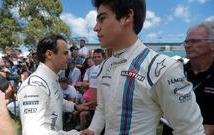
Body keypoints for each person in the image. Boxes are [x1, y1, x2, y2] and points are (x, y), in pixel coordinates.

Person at [81, 0, 204, 135]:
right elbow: (102, 108)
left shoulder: (163, 67)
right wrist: (93, 129)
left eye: (102, 19)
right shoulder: (105, 65)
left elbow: (191, 130)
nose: (95, 27)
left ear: (127, 17)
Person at [17, 33, 87, 135]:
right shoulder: (34, 86)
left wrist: (75, 107)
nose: (69, 57)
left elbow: (56, 100)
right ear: (49, 54)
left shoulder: (52, 79)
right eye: (65, 53)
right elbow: (32, 132)